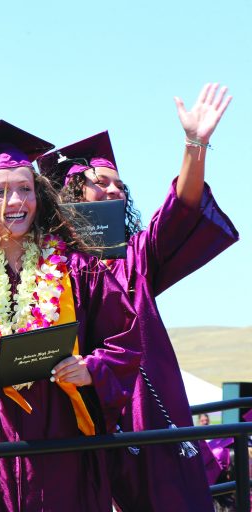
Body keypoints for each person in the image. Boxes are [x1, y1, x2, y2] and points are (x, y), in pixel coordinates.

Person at [38, 83, 237, 512]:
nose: (115, 191)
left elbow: (181, 208)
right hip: (79, 412)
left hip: (145, 405)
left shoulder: (136, 255)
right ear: (71, 194)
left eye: (120, 185)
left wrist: (195, 145)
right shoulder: (49, 266)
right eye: (100, 183)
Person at [0, 120, 141, 511]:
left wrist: (91, 368)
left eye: (25, 188)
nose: (16, 201)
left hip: (63, 441)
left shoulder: (74, 266)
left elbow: (124, 339)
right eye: (0, 191)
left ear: (39, 193)